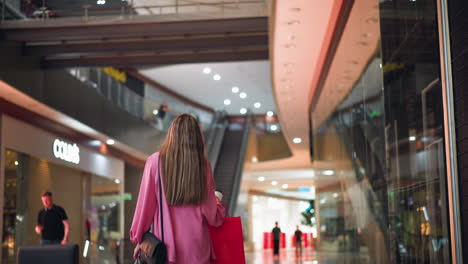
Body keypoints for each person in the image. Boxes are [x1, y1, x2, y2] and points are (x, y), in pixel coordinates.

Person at [130, 114, 225, 264]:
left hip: (165, 252)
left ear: (172, 135)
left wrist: (140, 238)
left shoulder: (155, 162)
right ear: (197, 138)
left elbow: (145, 208)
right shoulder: (203, 166)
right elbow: (212, 216)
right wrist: (217, 202)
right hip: (197, 251)